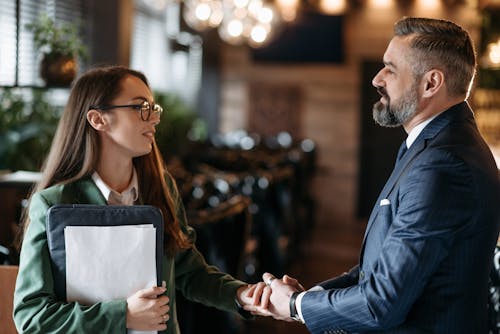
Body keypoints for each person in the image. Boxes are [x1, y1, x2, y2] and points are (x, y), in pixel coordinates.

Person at [246, 17, 500, 333]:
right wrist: (310, 297)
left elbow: (383, 303)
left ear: (431, 83)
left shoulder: (444, 164)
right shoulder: (432, 146)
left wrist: (297, 307)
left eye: (390, 69)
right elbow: (382, 267)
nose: (377, 79)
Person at [13, 65, 271, 333]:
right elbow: (31, 317)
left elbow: (187, 271)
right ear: (98, 119)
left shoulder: (161, 188)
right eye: (141, 107)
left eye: (154, 108)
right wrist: (122, 315)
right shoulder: (53, 204)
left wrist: (243, 295)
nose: (155, 119)